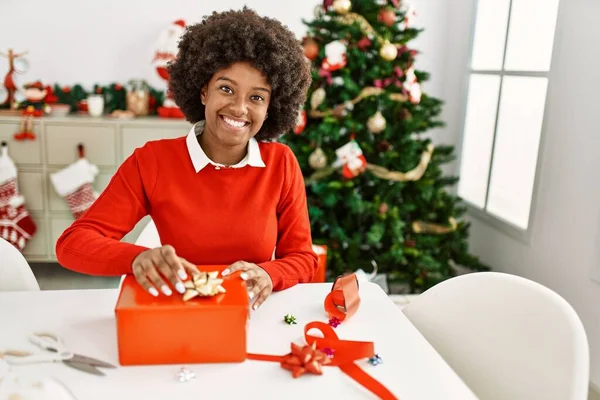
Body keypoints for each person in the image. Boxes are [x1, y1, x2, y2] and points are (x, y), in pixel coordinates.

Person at [55, 7, 316, 310]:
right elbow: (72, 245)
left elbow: (303, 258)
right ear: (203, 91)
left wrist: (270, 273)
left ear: (272, 107)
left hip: (253, 315)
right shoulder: (152, 161)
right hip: (178, 315)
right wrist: (137, 257)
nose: (239, 108)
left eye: (256, 97)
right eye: (226, 89)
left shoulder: (281, 164)